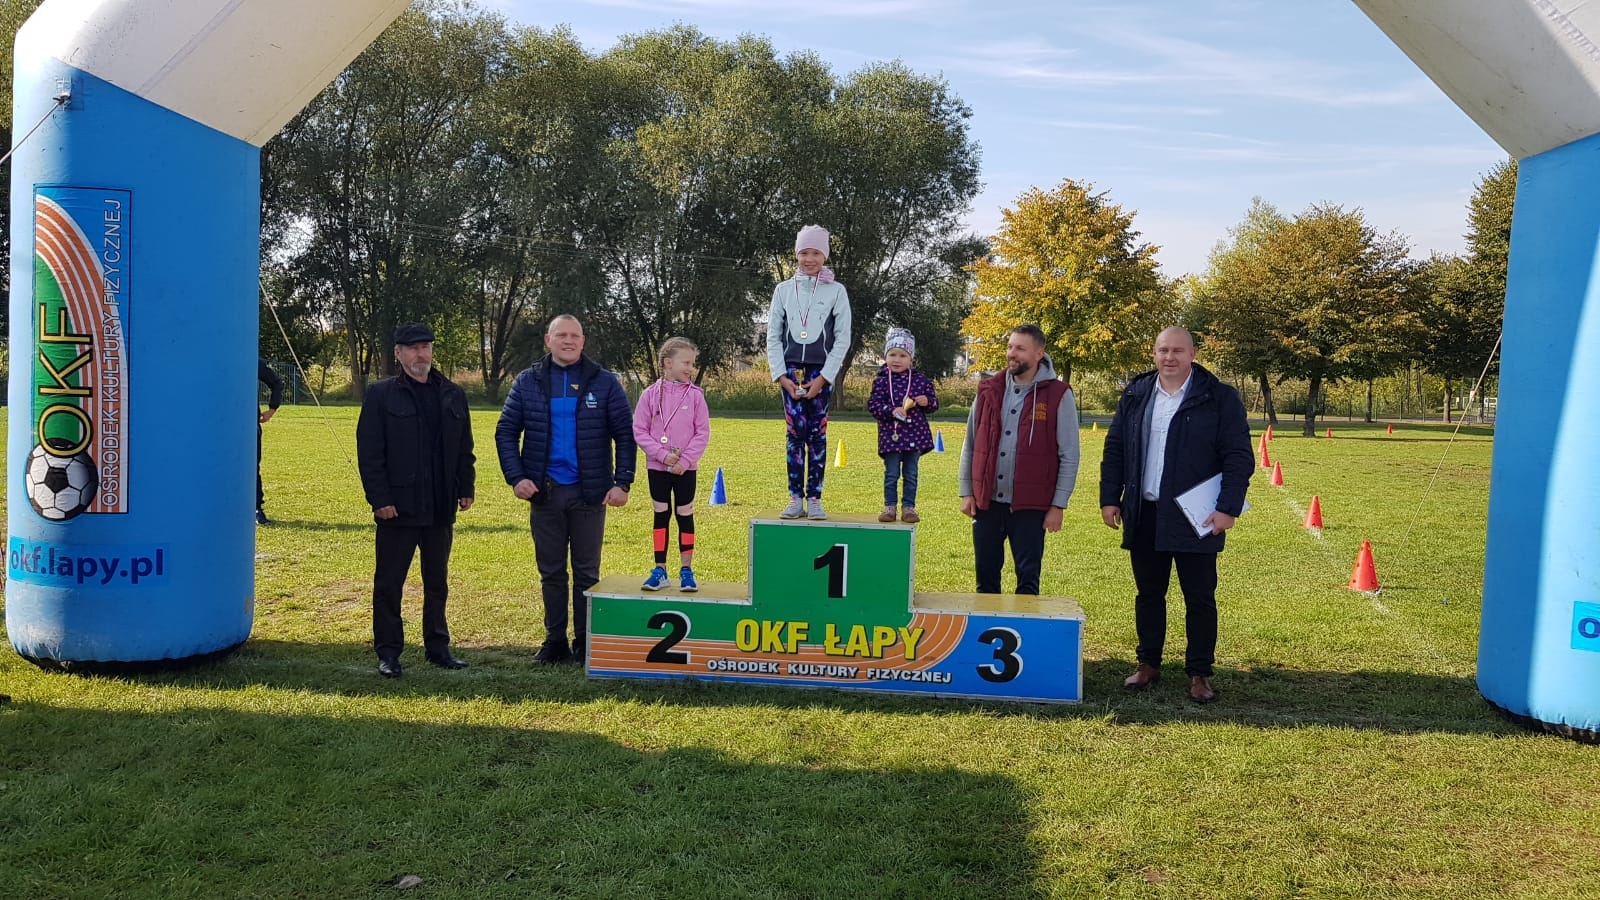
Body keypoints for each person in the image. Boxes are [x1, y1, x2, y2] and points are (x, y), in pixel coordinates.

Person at [1099, 326, 1253, 704]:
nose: (1169, 357)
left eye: (1178, 351)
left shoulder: (1219, 397)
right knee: (1149, 594)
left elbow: (1238, 456)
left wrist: (1227, 508)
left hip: (1196, 516)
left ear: (1193, 354)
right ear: (1154, 353)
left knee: (1199, 597)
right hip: (1144, 512)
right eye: (1163, 350)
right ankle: (1148, 664)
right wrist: (1110, 498)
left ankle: (1199, 673)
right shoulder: (1136, 393)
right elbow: (1115, 448)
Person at [495, 314, 635, 665]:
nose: (568, 341)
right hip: (545, 492)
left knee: (587, 572)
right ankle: (554, 641)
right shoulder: (528, 381)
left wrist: (622, 482)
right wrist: (517, 477)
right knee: (552, 572)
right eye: (561, 335)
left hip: (590, 493)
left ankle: (585, 642)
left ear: (583, 341)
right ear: (549, 340)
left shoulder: (604, 382)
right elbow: (506, 432)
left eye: (575, 335)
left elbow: (624, 434)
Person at [355, 323, 476, 678]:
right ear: (398, 353)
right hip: (398, 507)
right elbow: (370, 453)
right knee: (389, 583)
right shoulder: (381, 395)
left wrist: (465, 487)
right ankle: (389, 652)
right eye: (412, 348)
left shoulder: (453, 394)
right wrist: (379, 499)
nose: (420, 353)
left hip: (440, 506)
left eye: (425, 346)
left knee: (437, 582)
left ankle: (438, 647)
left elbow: (464, 448)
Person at [958, 324, 1080, 595]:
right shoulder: (988, 389)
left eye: (1020, 349)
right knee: (985, 580)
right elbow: (971, 444)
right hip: (987, 503)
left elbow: (1070, 455)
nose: (1012, 353)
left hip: (1031, 507)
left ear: (1039, 354)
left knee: (1028, 580)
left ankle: (1026, 624)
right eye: (1010, 347)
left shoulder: (1059, 395)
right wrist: (966, 492)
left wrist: (1058, 505)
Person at [766, 224, 851, 520]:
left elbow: (842, 337)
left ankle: (814, 498)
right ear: (796, 254)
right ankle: (794, 499)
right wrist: (781, 376)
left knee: (817, 436)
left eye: (816, 253)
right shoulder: (783, 290)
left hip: (821, 373)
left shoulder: (836, 291)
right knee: (794, 436)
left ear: (824, 256)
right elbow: (773, 336)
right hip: (790, 372)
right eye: (804, 253)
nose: (809, 259)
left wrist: (825, 377)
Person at [633, 337, 711, 592]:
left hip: (685, 469)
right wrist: (661, 455)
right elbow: (639, 430)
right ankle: (660, 570)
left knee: (685, 514)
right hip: (658, 467)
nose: (691, 368)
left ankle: (686, 570)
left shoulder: (696, 396)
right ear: (668, 363)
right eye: (686, 363)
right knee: (661, 514)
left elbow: (702, 433)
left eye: (692, 364)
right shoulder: (649, 395)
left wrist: (685, 461)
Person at [866, 327, 939, 524]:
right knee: (891, 474)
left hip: (915, 436)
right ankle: (889, 507)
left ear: (911, 359)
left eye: (902, 355)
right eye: (892, 355)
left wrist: (927, 401)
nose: (896, 360)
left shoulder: (921, 381)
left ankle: (909, 507)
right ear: (885, 356)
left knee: (911, 473)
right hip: (891, 436)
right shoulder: (881, 381)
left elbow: (934, 404)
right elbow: (873, 406)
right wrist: (891, 410)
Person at [256, 358, 284, 525]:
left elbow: (276, 383)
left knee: (252, 467)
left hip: (248, 425)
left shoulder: (250, 359)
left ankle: (256, 509)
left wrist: (272, 409)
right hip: (216, 424)